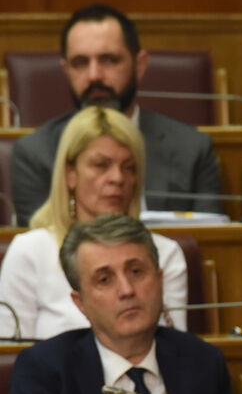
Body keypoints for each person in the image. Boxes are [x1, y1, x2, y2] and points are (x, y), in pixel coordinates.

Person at [0, 214, 242, 394]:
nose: (127, 290)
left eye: (136, 272)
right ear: (80, 303)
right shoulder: (47, 370)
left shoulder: (202, 362)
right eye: (104, 280)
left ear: (160, 280)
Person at [10, 3, 222, 226]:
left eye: (109, 60)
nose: (94, 75)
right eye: (80, 63)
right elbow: (42, 236)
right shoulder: (35, 153)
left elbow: (209, 239)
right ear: (66, 70)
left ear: (140, 65)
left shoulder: (192, 149)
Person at [0, 106, 187, 339]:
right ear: (70, 174)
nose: (117, 178)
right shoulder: (30, 252)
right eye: (101, 165)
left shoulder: (165, 253)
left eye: (128, 168)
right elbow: (12, 351)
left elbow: (175, 348)